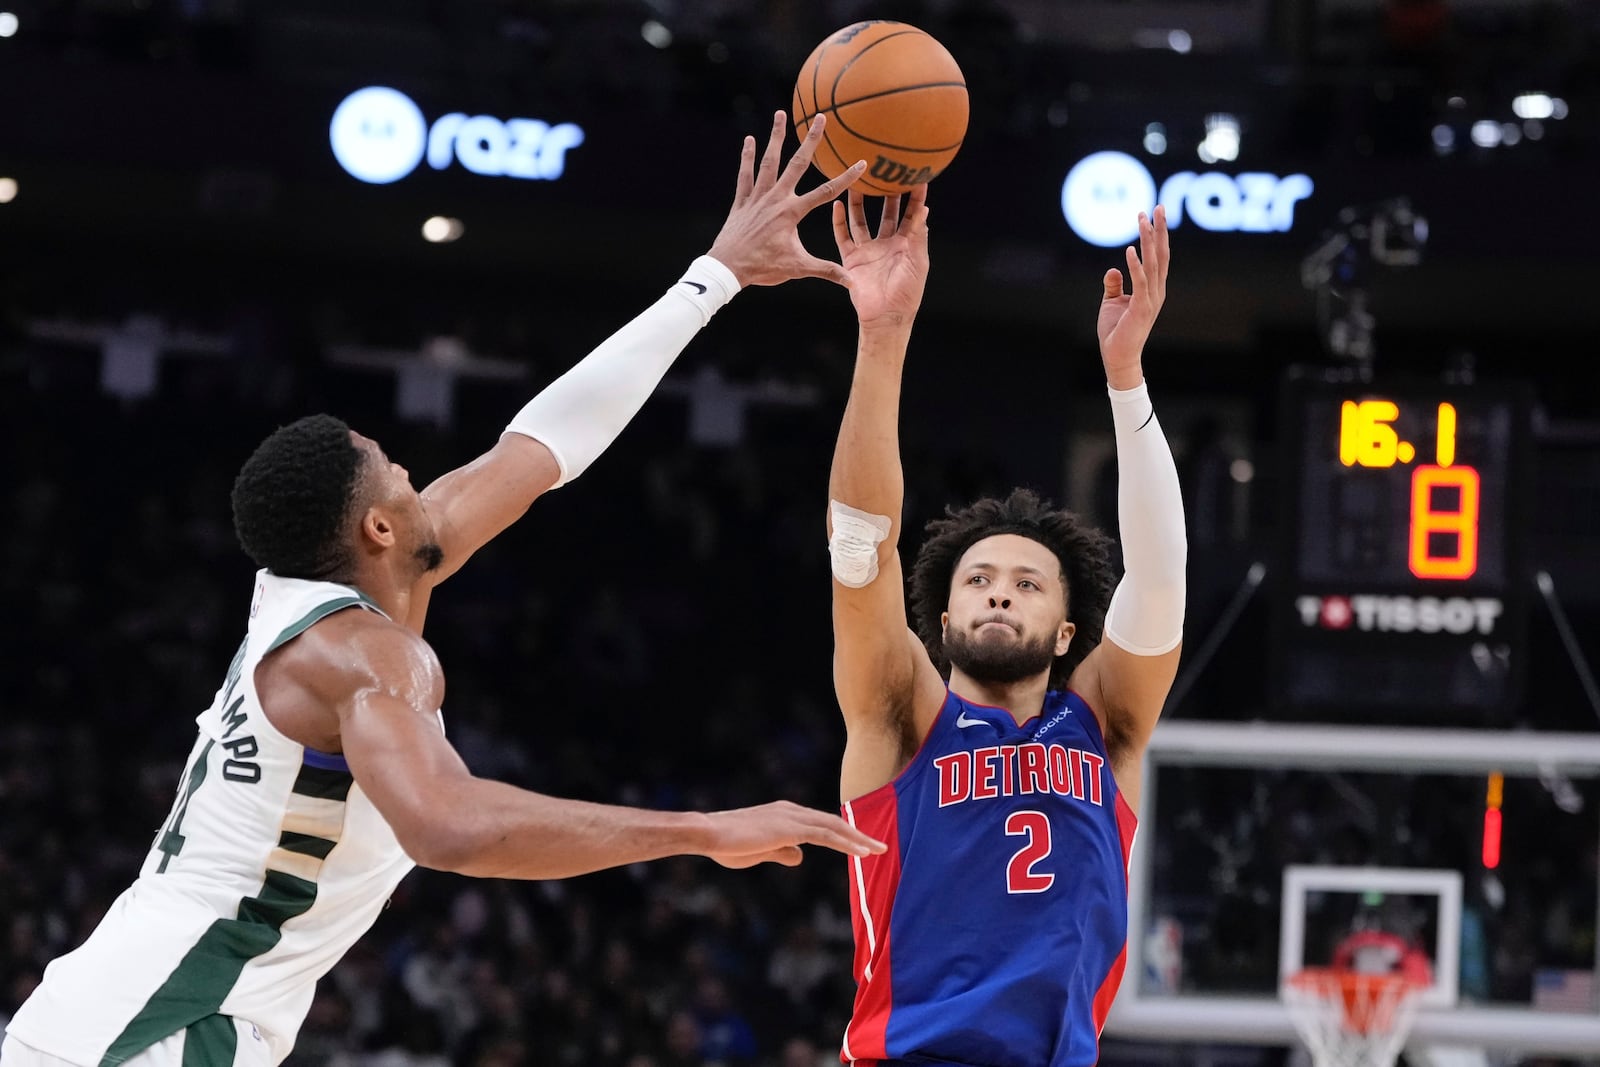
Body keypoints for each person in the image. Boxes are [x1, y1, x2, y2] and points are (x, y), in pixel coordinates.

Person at [1, 111, 885, 1067]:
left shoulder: (360, 581)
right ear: (379, 528)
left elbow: (542, 446)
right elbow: (450, 827)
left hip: (131, 1013)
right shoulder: (360, 654)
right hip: (161, 1028)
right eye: (394, 469)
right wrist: (706, 829)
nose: (420, 475)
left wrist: (714, 277)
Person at [822, 187, 1182, 1066]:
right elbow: (859, 542)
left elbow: (1161, 577)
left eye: (1027, 583)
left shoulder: (1105, 724)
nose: (998, 592)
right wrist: (883, 334)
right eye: (978, 579)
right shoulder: (902, 715)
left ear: (1068, 632)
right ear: (943, 618)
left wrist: (1126, 377)